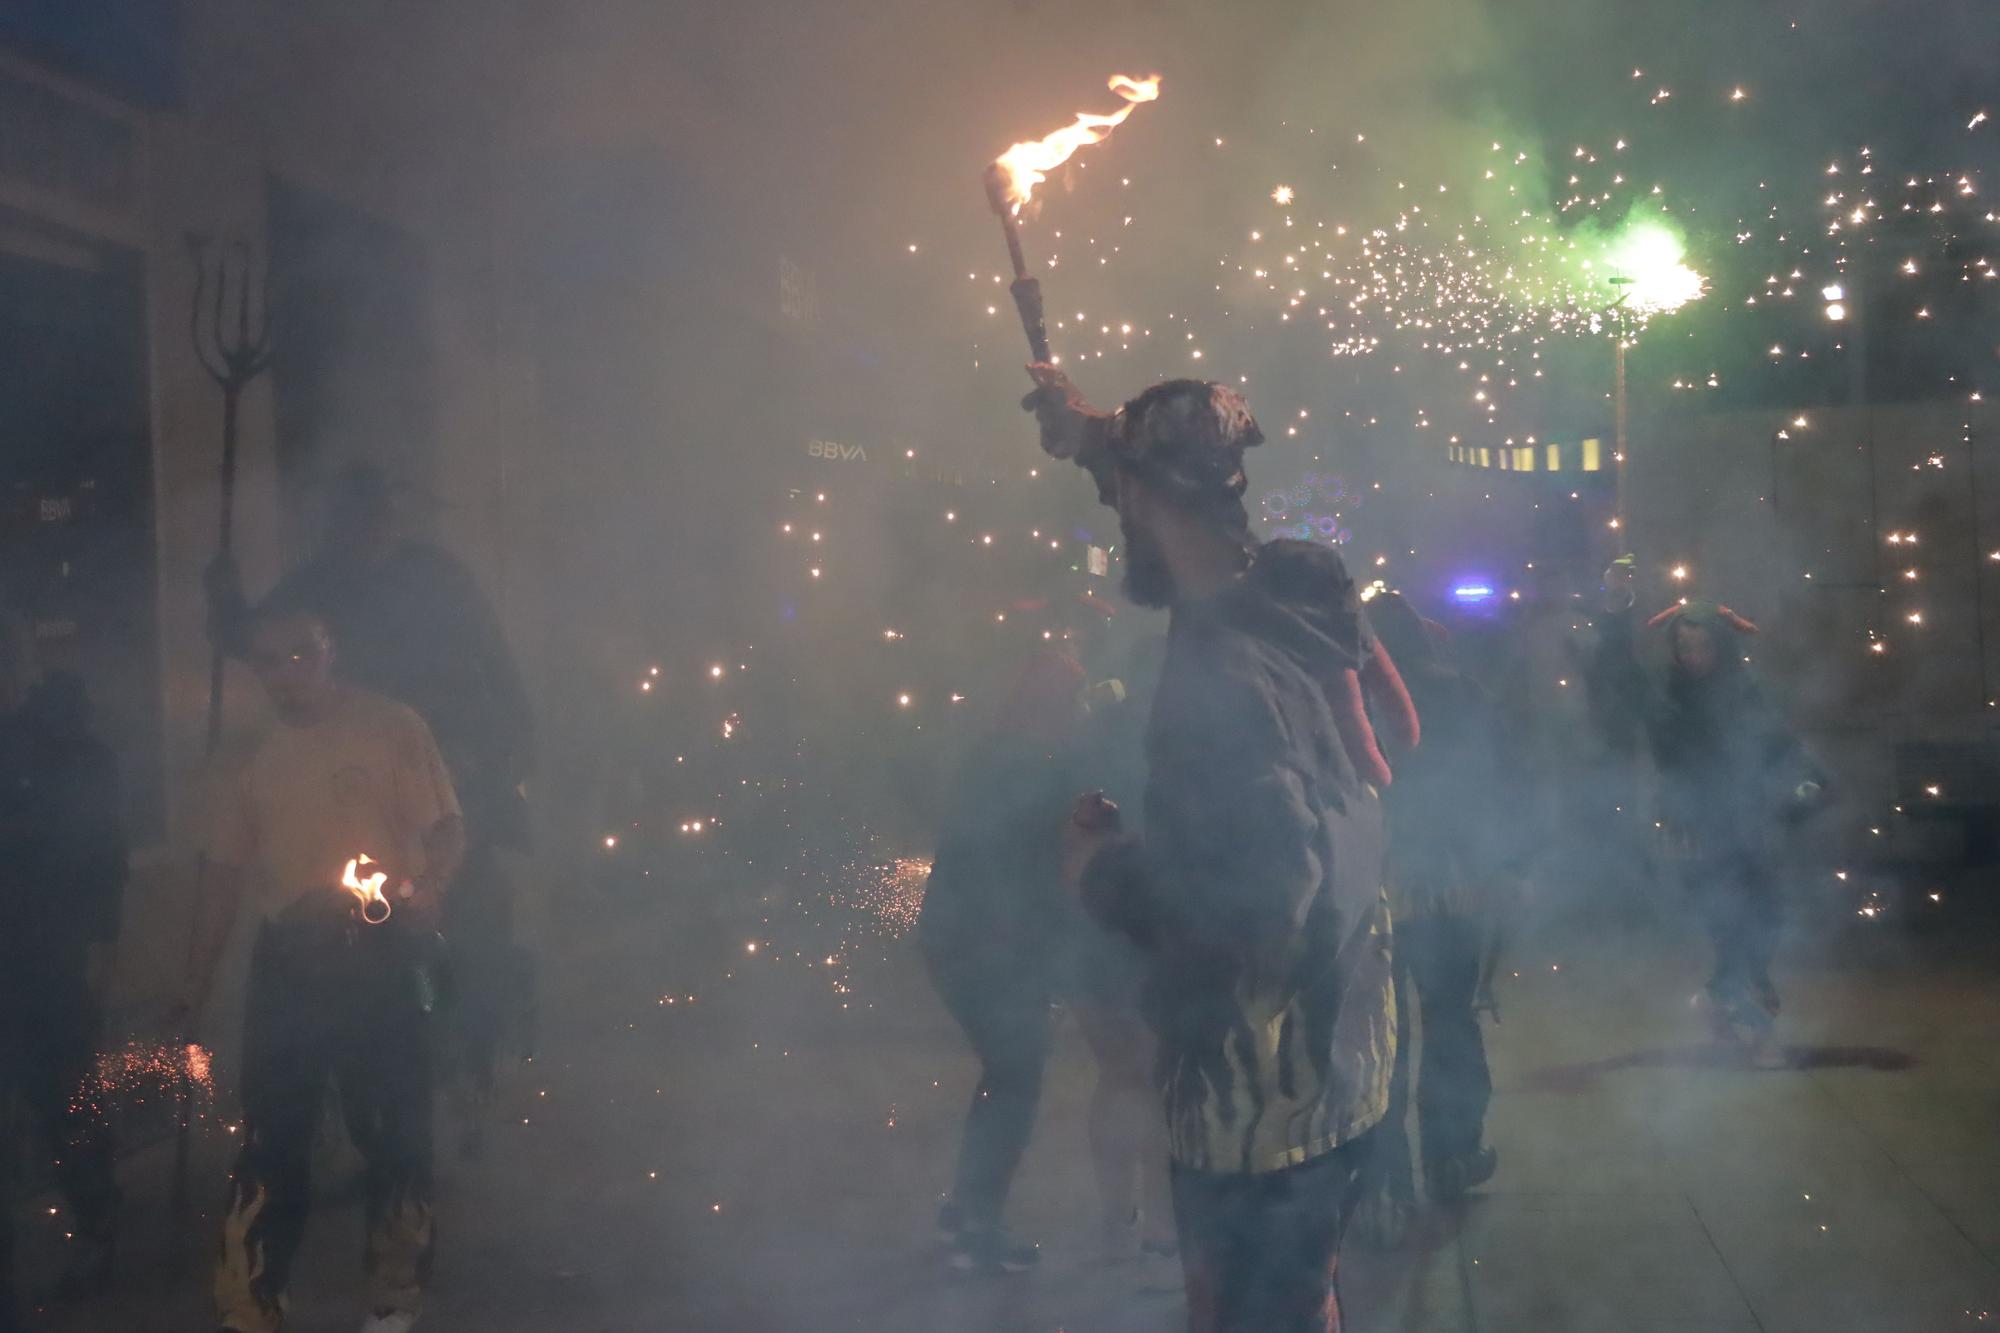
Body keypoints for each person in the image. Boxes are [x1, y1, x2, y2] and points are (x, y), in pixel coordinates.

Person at [1028, 366, 1417, 1333]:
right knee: (1300, 1299)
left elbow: (1261, 905)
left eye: (1124, 497)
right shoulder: (1297, 586)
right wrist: (1090, 437)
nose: (1118, 518)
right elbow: (1393, 740)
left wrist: (1105, 872)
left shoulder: (1223, 671)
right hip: (1345, 1058)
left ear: (1153, 497)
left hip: (1259, 1103)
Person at [208, 463, 534, 1146]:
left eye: (377, 514)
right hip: (354, 790)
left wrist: (498, 759)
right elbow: (258, 638)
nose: (367, 529)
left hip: (442, 776)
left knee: (462, 939)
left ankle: (467, 1070)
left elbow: (496, 672)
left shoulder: (437, 577)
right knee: (362, 957)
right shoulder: (317, 585)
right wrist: (225, 605)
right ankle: (378, 1114)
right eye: (353, 516)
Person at [179, 608, 466, 1333]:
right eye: (269, 661)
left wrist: (430, 885)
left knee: (395, 1134)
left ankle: (392, 1300)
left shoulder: (390, 726)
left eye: (301, 657)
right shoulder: (242, 752)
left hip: (381, 956)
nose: (287, 675)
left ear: (331, 652)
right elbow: (221, 873)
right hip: (290, 963)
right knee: (272, 1140)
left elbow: (446, 827)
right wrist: (196, 978)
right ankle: (251, 1305)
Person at [1591, 573, 1824, 1065]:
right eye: (1683, 645)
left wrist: (1805, 783)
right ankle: (1738, 1006)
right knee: (1725, 917)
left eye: (1700, 645)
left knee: (1764, 915)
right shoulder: (1667, 697)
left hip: (1748, 818)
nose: (1691, 655)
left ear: (1719, 646)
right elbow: (1620, 678)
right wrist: (1614, 616)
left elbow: (1781, 745)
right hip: (1696, 823)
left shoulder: (1746, 692)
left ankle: (1738, 995)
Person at [1354, 594, 1516, 1246]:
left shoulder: (1346, 695)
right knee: (1450, 1018)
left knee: (1377, 1035)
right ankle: (1450, 1155)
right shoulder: (1462, 694)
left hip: (1375, 881)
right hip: (1450, 883)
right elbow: (1494, 784)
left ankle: (1380, 1175)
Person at [917, 647, 1086, 1274]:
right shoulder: (1024, 767)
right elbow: (1028, 871)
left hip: (967, 940)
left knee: (1006, 1075)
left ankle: (967, 1209)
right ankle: (977, 1222)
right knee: (1016, 1077)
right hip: (987, 946)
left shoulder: (1000, 755)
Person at [0, 673, 127, 1326]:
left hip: (47, 962)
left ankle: (98, 1225)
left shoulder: (70, 753)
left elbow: (105, 854)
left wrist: (101, 947)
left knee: (64, 1102)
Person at [1071, 634, 1176, 1260]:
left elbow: (1072, 835)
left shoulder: (1095, 737)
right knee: (1159, 1083)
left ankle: (1118, 1216)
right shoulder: (1178, 746)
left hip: (1090, 932)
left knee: (1117, 1078)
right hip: (1144, 933)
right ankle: (1162, 1229)